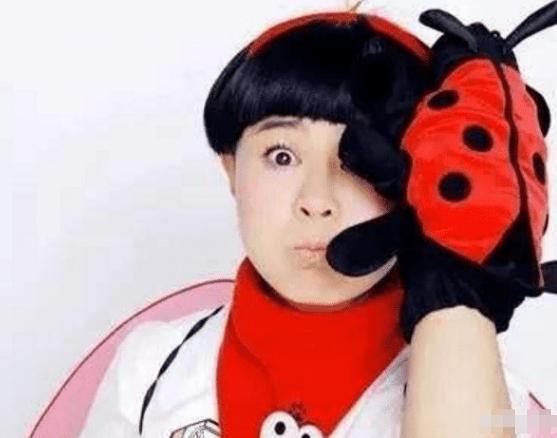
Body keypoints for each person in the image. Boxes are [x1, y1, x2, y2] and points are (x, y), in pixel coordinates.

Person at [78, 6, 550, 438]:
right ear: (231, 170)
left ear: (417, 179)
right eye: (281, 155)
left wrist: (458, 280)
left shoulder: (478, 381)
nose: (317, 201)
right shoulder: (152, 365)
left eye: (357, 162)